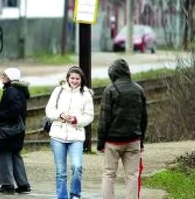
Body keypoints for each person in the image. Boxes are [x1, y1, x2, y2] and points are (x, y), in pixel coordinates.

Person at [97, 59, 148, 199]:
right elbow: (144, 118)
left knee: (108, 174)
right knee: (132, 176)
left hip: (113, 142)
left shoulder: (110, 90)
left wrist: (100, 143)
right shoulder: (138, 89)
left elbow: (104, 119)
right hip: (133, 140)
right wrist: (141, 140)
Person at [45, 66, 94, 199]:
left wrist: (76, 120)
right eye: (72, 78)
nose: (74, 80)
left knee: (77, 167)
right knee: (61, 171)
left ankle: (75, 194)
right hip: (57, 135)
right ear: (68, 78)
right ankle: (61, 196)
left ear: (81, 80)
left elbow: (89, 116)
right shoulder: (58, 91)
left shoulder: (86, 94)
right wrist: (60, 115)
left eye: (77, 78)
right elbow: (49, 111)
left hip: (76, 136)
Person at [0, 67, 31, 194]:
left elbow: (14, 110)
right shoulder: (19, 90)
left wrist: (0, 116)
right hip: (17, 130)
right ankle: (23, 184)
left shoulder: (11, 91)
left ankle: (7, 184)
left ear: (12, 77)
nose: (2, 76)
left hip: (8, 129)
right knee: (15, 156)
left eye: (5, 75)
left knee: (4, 155)